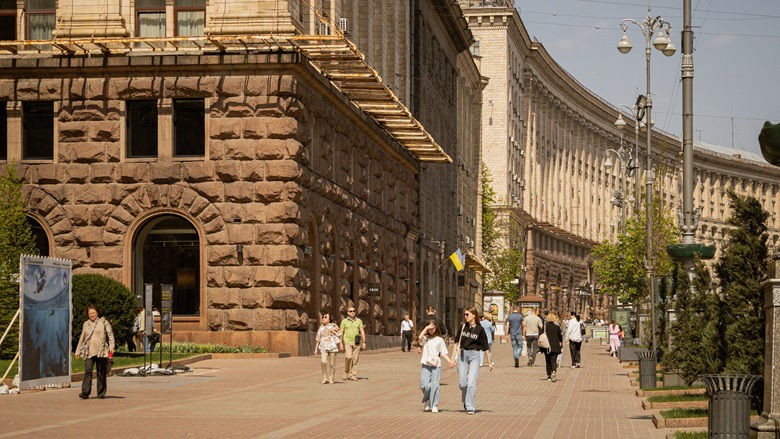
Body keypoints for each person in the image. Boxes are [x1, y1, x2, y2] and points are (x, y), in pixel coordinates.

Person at [449, 307, 492, 415]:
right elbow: (455, 343)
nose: (465, 316)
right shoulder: (462, 327)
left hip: (475, 356)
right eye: (464, 314)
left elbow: (486, 347)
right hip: (462, 355)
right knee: (463, 384)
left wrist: (489, 362)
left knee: (471, 382)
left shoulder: (480, 329)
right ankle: (465, 397)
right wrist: (452, 358)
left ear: (473, 315)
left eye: (467, 314)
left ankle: (470, 406)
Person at [74, 304, 115, 399]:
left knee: (101, 372)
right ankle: (85, 392)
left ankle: (101, 393)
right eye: (90, 313)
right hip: (89, 351)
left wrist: (111, 347)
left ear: (97, 313)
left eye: (93, 313)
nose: (92, 315)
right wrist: (77, 351)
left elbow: (111, 335)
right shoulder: (86, 324)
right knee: (88, 370)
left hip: (101, 350)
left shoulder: (103, 322)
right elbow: (82, 338)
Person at [417, 321, 451, 413]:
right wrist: (426, 328)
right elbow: (419, 338)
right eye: (430, 329)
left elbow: (444, 353)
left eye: (433, 328)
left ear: (436, 329)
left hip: (436, 365)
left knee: (435, 385)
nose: (432, 330)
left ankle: (434, 404)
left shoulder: (440, 340)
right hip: (425, 364)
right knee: (424, 385)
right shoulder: (425, 338)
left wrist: (450, 362)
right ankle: (427, 400)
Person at [314, 312, 342, 384]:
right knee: (323, 362)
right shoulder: (321, 327)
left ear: (330, 319)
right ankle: (324, 377)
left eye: (325, 317)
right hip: (323, 347)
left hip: (332, 347)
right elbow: (318, 338)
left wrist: (334, 332)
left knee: (332, 364)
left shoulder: (334, 326)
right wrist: (316, 349)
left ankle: (331, 377)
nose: (323, 318)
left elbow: (340, 334)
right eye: (323, 317)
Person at [340, 306, 366, 381]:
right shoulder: (344, 321)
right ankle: (346, 371)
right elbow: (341, 332)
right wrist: (340, 343)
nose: (352, 312)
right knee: (348, 357)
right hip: (347, 341)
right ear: (347, 313)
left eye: (354, 311)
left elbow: (362, 331)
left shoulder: (359, 321)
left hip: (357, 342)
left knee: (355, 359)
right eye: (350, 311)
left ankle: (353, 375)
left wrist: (364, 342)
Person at [541, 312, 562, 382]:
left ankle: (549, 375)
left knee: (548, 361)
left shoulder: (545, 327)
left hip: (546, 346)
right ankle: (554, 371)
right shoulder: (557, 327)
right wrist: (561, 342)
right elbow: (560, 337)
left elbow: (541, 334)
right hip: (555, 346)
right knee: (553, 360)